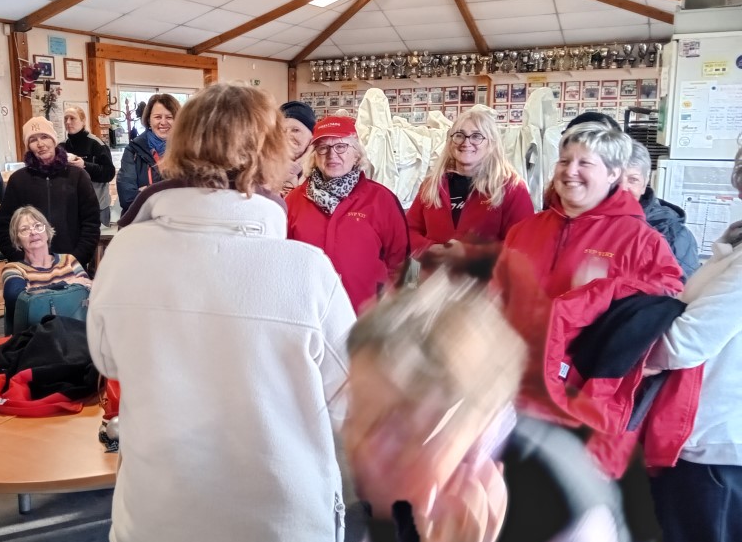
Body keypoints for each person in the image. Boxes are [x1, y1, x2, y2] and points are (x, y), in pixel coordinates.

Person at [88, 82, 356, 542]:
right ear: (270, 155)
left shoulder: (126, 252)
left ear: (180, 147)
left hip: (168, 518)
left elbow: (107, 359)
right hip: (277, 534)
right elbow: (350, 403)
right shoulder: (305, 270)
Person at [330, 273, 641, 542]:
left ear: (471, 418)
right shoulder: (412, 470)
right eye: (357, 413)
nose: (368, 451)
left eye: (401, 426)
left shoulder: (559, 516)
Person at [491, 119, 683, 430]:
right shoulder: (524, 230)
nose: (570, 171)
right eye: (564, 161)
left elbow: (662, 309)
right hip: (510, 387)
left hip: (581, 400)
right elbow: (496, 295)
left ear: (612, 174)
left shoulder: (641, 240)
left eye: (585, 163)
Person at [642, 145, 742, 542]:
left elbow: (683, 341)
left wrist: (612, 342)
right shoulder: (734, 247)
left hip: (718, 451)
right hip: (706, 442)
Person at [286, 115, 410, 313]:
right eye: (323, 148)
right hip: (310, 316)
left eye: (341, 147)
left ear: (357, 154)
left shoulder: (381, 200)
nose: (332, 155)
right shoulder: (293, 201)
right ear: (314, 155)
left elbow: (405, 262)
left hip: (366, 322)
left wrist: (402, 308)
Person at [406, 109, 534, 276]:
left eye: (476, 136)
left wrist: (468, 253)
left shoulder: (512, 187)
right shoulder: (432, 184)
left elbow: (522, 245)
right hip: (433, 287)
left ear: (492, 142)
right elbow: (408, 231)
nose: (466, 142)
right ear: (450, 141)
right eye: (459, 135)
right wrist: (428, 248)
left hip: (486, 292)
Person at [0, 116, 100, 268]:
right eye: (33, 140)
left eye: (45, 137)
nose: (40, 144)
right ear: (28, 146)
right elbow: (5, 225)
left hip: (72, 264)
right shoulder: (18, 180)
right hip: (30, 267)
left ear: (54, 140)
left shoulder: (78, 176)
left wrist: (77, 259)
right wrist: (21, 259)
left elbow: (91, 223)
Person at [0, 205, 92, 334]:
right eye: (24, 229)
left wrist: (38, 293)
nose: (33, 232)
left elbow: (88, 291)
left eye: (38, 226)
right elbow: (18, 298)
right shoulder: (13, 269)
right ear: (18, 241)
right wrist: (67, 284)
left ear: (47, 232)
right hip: (34, 340)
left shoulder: (69, 260)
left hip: (74, 336)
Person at [623, 140, 699, 279]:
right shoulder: (587, 219)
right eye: (615, 179)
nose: (622, 188)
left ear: (645, 183)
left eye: (632, 180)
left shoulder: (672, 233)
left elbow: (680, 293)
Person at [116, 93, 180, 212]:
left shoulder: (187, 150)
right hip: (141, 224)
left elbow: (193, 195)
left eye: (169, 117)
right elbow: (127, 198)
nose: (163, 122)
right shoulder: (133, 150)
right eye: (157, 117)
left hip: (176, 224)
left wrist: (147, 191)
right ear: (148, 120)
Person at [63, 105, 116, 226]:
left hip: (97, 208)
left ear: (83, 121)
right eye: (65, 118)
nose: (68, 122)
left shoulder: (97, 144)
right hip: (70, 208)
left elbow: (108, 173)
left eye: (72, 118)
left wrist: (85, 165)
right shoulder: (61, 146)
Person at [280, 100, 316, 196]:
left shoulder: (323, 168)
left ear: (311, 135)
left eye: (295, 130)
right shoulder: (263, 167)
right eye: (282, 131)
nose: (287, 136)